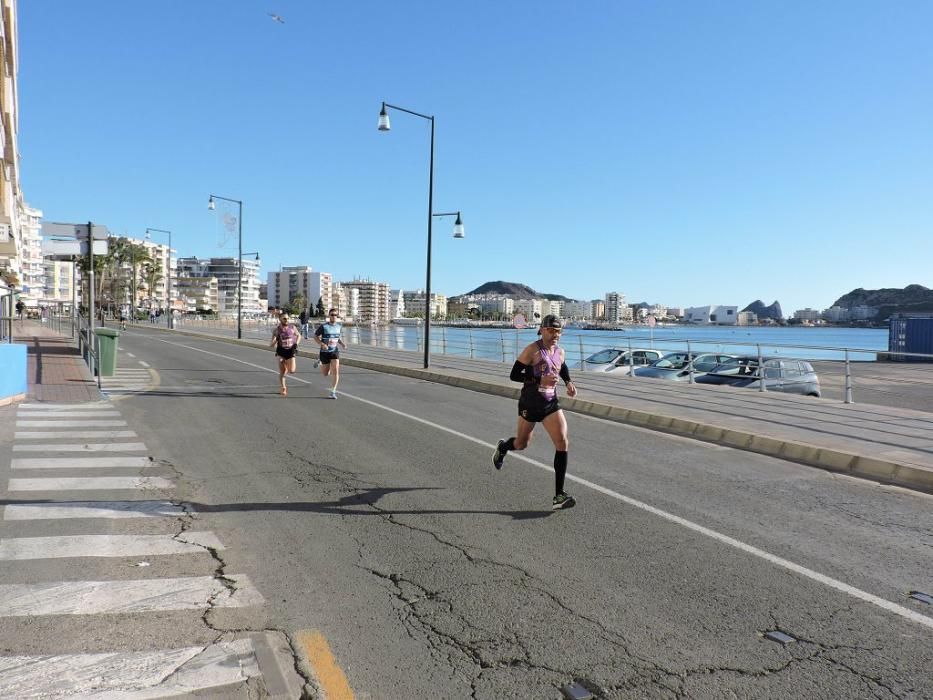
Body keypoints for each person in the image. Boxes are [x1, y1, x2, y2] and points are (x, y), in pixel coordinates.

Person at [491, 314, 579, 509]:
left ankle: (558, 496)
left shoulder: (560, 351)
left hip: (550, 403)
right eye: (551, 330)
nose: (555, 334)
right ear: (542, 329)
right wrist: (539, 381)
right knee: (522, 444)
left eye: (558, 331)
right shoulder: (532, 350)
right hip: (530, 403)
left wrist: (569, 382)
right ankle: (503, 448)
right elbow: (514, 375)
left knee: (562, 442)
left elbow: (561, 366)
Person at [314, 308, 348, 399]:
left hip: (334, 351)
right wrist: (321, 344)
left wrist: (342, 344)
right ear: (329, 316)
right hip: (324, 352)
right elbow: (315, 336)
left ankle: (333, 392)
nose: (334, 316)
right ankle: (320, 362)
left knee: (336, 370)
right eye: (332, 315)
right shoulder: (324, 326)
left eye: (335, 315)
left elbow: (337, 337)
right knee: (326, 374)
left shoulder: (339, 326)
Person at [270, 312, 300, 396]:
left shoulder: (292, 327)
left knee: (292, 371)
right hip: (281, 352)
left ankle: (287, 366)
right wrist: (275, 340)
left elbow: (299, 335)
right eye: (284, 319)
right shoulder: (276, 330)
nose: (287, 320)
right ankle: (283, 388)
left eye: (287, 318)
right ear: (280, 319)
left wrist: (296, 344)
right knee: (282, 371)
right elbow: (271, 345)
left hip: (291, 351)